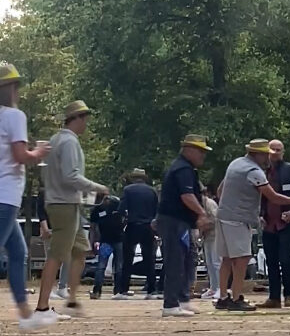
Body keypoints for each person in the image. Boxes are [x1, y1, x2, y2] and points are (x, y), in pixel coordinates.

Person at [214, 139, 290, 311]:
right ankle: (236, 298)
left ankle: (222, 297)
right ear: (257, 154)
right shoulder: (254, 171)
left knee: (227, 259)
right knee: (242, 258)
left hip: (223, 215)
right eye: (266, 153)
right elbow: (273, 197)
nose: (269, 156)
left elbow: (220, 191)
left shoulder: (236, 163)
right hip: (239, 219)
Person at [37, 100, 108, 319]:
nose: (86, 123)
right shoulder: (69, 142)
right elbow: (70, 176)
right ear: (75, 118)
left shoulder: (55, 140)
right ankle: (41, 307)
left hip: (64, 202)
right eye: (84, 118)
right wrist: (96, 187)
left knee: (80, 251)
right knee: (57, 255)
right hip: (64, 204)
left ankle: (72, 300)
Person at [0, 61, 56, 329]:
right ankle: (25, 314)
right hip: (6, 194)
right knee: (13, 251)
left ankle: (25, 314)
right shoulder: (15, 116)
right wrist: (39, 153)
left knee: (17, 250)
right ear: (11, 88)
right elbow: (20, 156)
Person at [157, 134, 213, 317]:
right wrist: (202, 213)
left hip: (181, 222)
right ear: (189, 150)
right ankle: (170, 304)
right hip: (174, 222)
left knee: (187, 260)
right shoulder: (183, 169)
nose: (203, 156)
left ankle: (182, 299)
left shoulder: (186, 168)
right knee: (175, 261)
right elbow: (187, 197)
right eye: (200, 152)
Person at [259, 139, 290, 309]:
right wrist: (261, 215)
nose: (276, 152)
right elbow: (260, 197)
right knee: (271, 261)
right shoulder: (262, 172)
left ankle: (289, 295)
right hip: (269, 223)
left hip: (287, 223)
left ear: (283, 151)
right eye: (273, 149)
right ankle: (273, 297)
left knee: (287, 260)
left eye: (279, 149)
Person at [115, 168, 159, 299]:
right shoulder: (152, 191)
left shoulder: (128, 190)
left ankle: (123, 289)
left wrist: (123, 220)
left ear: (133, 178)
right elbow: (157, 208)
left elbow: (121, 209)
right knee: (149, 258)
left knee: (128, 258)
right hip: (148, 226)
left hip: (133, 225)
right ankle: (151, 290)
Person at [89, 189, 125, 300]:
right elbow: (93, 227)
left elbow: (93, 228)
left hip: (116, 240)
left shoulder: (116, 204)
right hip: (107, 241)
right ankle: (98, 290)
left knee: (115, 266)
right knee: (103, 266)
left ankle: (117, 290)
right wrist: (93, 242)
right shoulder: (97, 209)